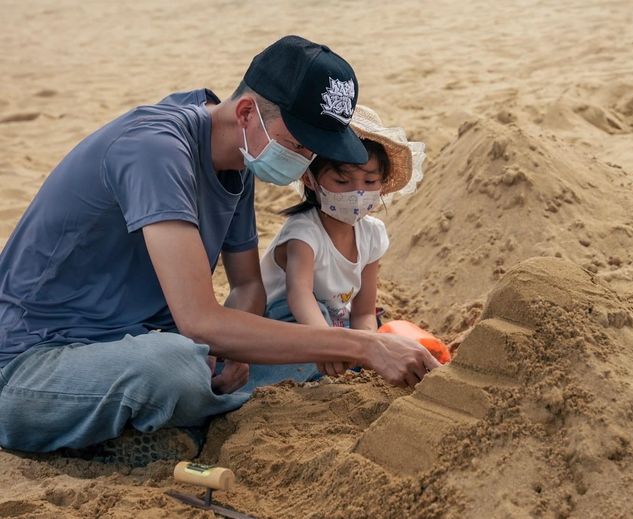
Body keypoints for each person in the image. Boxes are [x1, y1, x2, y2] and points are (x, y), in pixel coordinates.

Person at [0, 35, 439, 462]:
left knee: (302, 315)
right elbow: (199, 319)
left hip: (136, 340)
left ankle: (178, 413)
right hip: (33, 363)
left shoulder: (236, 157)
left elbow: (248, 286)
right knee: (174, 366)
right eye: (301, 144)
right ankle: (163, 421)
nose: (305, 160)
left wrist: (226, 353)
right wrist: (364, 347)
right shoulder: (155, 150)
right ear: (247, 112)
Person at [254, 105, 425, 381]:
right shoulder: (304, 233)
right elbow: (299, 296)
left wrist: (367, 346)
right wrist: (330, 344)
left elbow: (364, 310)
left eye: (370, 181)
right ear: (310, 179)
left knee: (376, 331)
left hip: (334, 322)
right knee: (322, 323)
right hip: (287, 322)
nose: (357, 192)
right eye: (342, 180)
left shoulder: (372, 234)